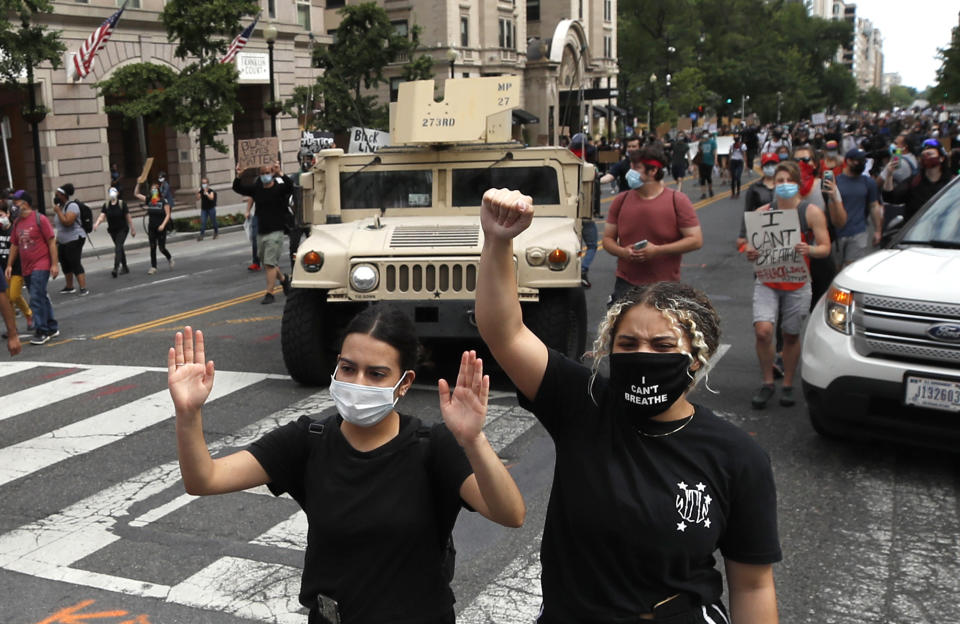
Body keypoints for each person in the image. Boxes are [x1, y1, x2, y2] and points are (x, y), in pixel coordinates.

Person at [476, 188, 781, 623]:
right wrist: (498, 240)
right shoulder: (583, 404)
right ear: (609, 350)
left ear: (697, 357)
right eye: (628, 344)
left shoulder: (738, 456)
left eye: (661, 345)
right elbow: (504, 331)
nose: (644, 355)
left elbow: (753, 584)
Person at [167, 307, 525, 624]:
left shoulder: (432, 447)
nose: (358, 383)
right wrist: (188, 413)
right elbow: (204, 479)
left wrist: (474, 440)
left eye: (377, 374)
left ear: (404, 383)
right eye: (348, 368)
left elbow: (510, 513)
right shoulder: (308, 439)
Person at [745, 161, 831, 409]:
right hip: (767, 281)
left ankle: (788, 384)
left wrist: (810, 249)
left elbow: (825, 248)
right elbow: (753, 248)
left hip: (797, 282)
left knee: (791, 334)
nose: (783, 185)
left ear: (798, 184)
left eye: (789, 181)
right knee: (763, 331)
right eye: (779, 181)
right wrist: (751, 253)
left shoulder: (810, 212)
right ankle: (768, 382)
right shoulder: (763, 213)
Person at [601, 146, 703, 303]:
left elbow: (695, 240)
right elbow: (607, 239)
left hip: (665, 287)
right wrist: (623, 252)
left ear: (653, 171)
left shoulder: (677, 201)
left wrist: (657, 251)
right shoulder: (620, 201)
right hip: (626, 285)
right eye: (631, 166)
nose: (630, 172)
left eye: (636, 168)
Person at [233, 160, 294, 304]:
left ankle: (269, 293)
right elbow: (238, 188)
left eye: (268, 173)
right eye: (263, 173)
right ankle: (285, 280)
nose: (265, 176)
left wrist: (280, 172)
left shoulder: (279, 188)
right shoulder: (257, 188)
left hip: (276, 231)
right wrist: (239, 175)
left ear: (272, 174)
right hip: (262, 232)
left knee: (270, 264)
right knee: (268, 263)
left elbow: (291, 187)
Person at [4, 190, 59, 345]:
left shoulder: (39, 219)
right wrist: (9, 265)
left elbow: (51, 242)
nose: (13, 205)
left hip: (41, 264)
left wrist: (54, 264)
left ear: (25, 203)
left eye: (16, 202)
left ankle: (42, 330)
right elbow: (14, 244)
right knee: (40, 295)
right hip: (26, 266)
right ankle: (52, 326)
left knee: (35, 296)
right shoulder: (17, 223)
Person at [882, 138, 955, 221]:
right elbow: (890, 197)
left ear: (941, 158)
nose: (926, 158)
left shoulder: (951, 183)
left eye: (930, 154)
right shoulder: (914, 182)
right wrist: (889, 174)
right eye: (923, 156)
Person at [833, 148, 882, 268]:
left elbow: (874, 206)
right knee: (835, 269)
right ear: (848, 161)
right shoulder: (835, 181)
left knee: (852, 268)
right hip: (836, 234)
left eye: (864, 160)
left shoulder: (868, 182)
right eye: (859, 160)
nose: (863, 163)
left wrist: (878, 230)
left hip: (858, 232)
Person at [0, 201, 33, 334]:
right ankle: (12, 327)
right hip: (3, 269)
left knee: (14, 295)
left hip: (17, 268)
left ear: (7, 214)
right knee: (7, 300)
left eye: (1, 214)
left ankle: (28, 314)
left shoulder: (14, 230)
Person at [51, 183, 88, 296]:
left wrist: (58, 212)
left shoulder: (72, 206)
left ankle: (83, 287)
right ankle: (69, 286)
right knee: (65, 262)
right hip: (63, 240)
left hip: (75, 238)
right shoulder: (61, 207)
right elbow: (60, 227)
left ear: (63, 195)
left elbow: (67, 222)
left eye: (58, 194)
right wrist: (57, 240)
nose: (56, 196)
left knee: (74, 262)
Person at [93, 186, 135, 278]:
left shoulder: (122, 204)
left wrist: (132, 229)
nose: (112, 193)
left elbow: (128, 216)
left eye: (114, 191)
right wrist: (96, 224)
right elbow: (102, 216)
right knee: (119, 248)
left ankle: (116, 268)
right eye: (110, 191)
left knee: (118, 247)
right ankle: (125, 267)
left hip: (123, 229)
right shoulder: (106, 205)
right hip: (112, 231)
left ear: (117, 193)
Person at [135, 180, 174, 275]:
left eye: (155, 189)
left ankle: (169, 258)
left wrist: (163, 225)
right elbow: (136, 194)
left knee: (161, 248)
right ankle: (153, 267)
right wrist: (138, 183)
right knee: (152, 247)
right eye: (152, 190)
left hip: (161, 227)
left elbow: (168, 215)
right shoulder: (149, 200)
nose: (154, 191)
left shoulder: (163, 201)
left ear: (158, 191)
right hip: (152, 227)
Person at [695, 131, 716, 199]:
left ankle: (710, 189)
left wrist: (715, 160)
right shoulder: (701, 142)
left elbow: (714, 151)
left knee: (708, 177)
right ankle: (703, 193)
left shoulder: (712, 142)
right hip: (702, 162)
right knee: (702, 178)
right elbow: (698, 151)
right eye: (704, 134)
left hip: (710, 161)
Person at [244, 197, 260, 271]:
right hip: (258, 216)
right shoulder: (257, 186)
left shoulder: (274, 186)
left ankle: (273, 263)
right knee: (255, 237)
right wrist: (247, 211)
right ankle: (256, 263)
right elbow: (252, 198)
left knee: (271, 239)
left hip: (270, 216)